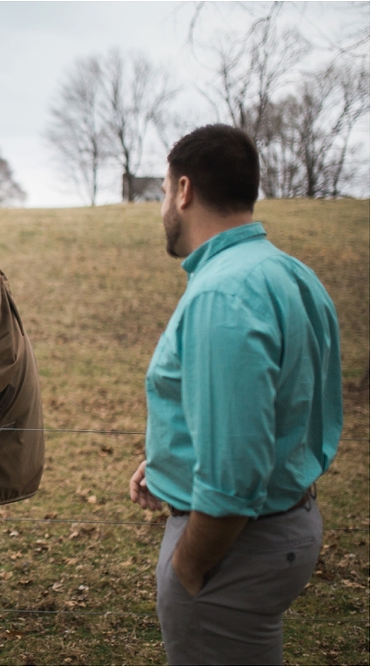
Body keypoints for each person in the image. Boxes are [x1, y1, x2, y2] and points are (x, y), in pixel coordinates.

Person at [128, 124, 343, 665]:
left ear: (183, 190)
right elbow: (281, 409)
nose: (163, 209)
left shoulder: (224, 293)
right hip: (286, 524)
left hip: (233, 552)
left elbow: (234, 474)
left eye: (160, 193)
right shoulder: (291, 274)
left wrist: (190, 566)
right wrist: (167, 462)